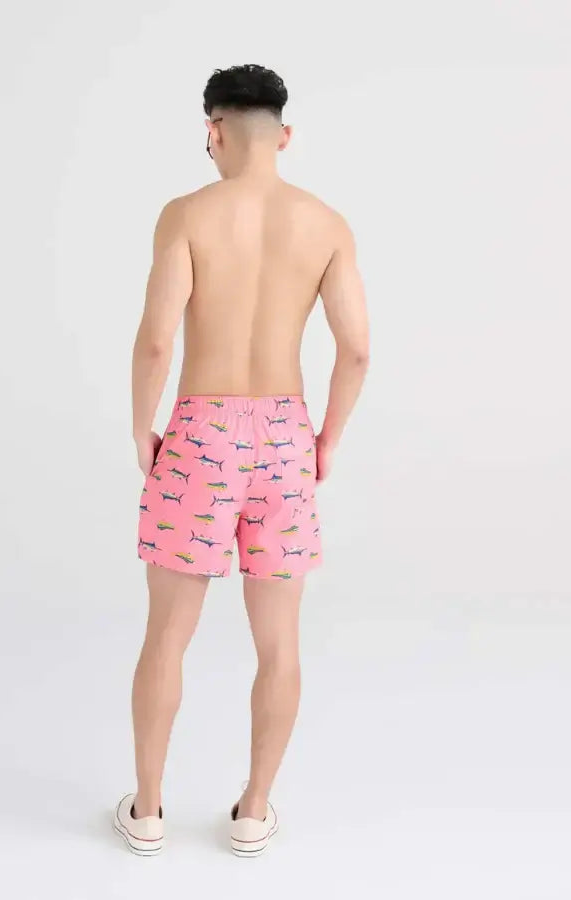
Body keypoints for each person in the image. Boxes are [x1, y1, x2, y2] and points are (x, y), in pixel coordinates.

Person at [113, 64, 369, 857]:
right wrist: (326, 438)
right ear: (283, 135)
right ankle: (254, 811)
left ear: (213, 131)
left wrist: (143, 429)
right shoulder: (326, 224)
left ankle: (147, 810)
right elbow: (357, 350)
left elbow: (158, 340)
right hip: (286, 434)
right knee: (280, 640)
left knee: (167, 634)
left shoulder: (187, 215)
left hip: (201, 431)